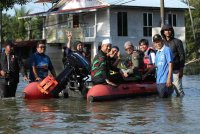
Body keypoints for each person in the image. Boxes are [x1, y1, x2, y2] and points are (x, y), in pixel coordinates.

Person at [160, 24, 185, 97]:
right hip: (165, 71)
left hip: (176, 69)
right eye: (165, 30)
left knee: (179, 91)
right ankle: (169, 107)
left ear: (172, 31)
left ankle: (180, 107)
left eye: (169, 30)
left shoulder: (177, 42)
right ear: (163, 32)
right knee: (167, 92)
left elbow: (182, 56)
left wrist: (181, 69)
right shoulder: (162, 43)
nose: (167, 32)